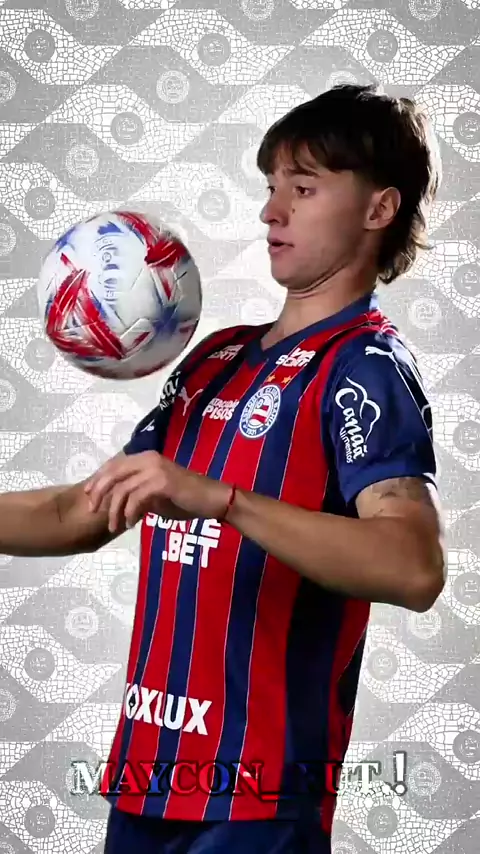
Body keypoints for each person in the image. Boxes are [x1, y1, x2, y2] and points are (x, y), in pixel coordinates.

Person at [3, 84, 445, 853]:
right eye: (272, 187)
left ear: (378, 209)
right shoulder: (215, 358)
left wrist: (222, 500)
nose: (271, 211)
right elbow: (82, 511)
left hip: (259, 803)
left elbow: (413, 566)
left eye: (303, 188)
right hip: (146, 780)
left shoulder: (365, 368)